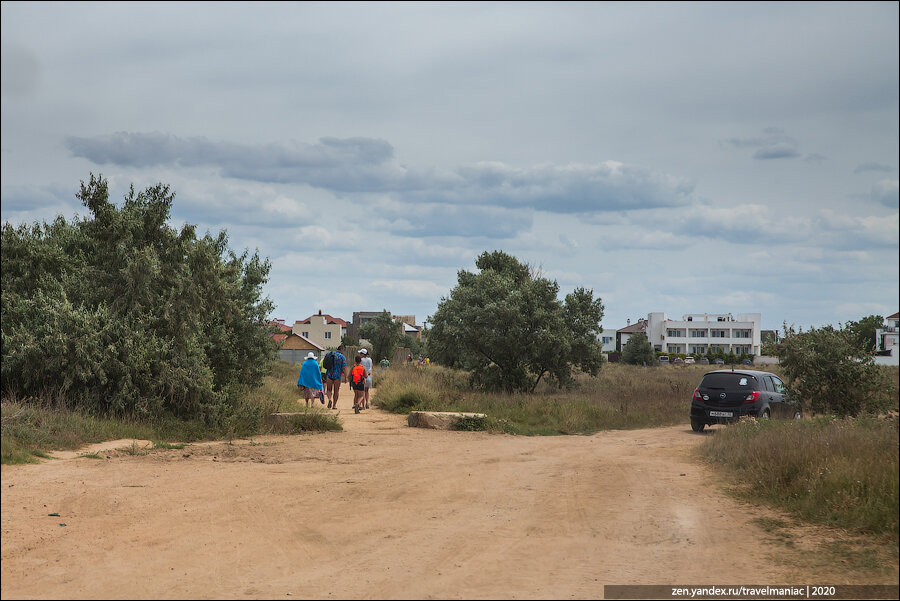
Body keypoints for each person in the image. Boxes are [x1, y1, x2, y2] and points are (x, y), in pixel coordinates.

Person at [322, 345, 348, 410]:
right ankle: (334, 405)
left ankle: (329, 399)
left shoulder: (329, 353)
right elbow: (344, 367)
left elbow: (324, 362)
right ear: (342, 349)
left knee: (329, 390)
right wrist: (346, 377)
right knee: (336, 391)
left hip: (329, 374)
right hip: (338, 375)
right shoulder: (342, 357)